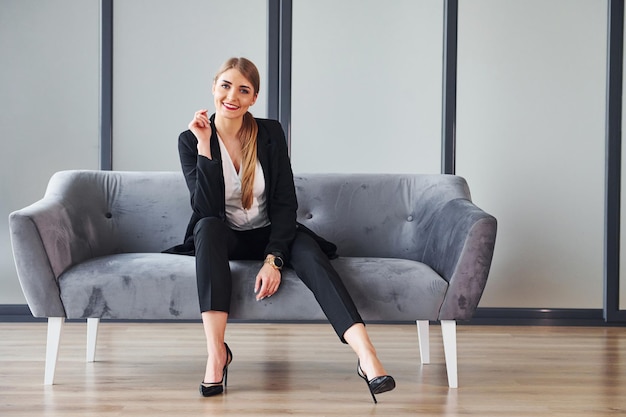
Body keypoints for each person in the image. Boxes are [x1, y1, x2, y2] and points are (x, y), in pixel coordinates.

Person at [166, 57, 395, 403]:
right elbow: (205, 209)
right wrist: (204, 146)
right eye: (226, 86)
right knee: (207, 227)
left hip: (270, 233)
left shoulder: (270, 133)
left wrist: (273, 259)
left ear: (254, 98)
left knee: (311, 255)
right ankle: (217, 354)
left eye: (243, 90)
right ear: (213, 88)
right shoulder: (190, 139)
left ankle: (367, 356)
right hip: (222, 237)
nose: (232, 96)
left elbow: (286, 203)